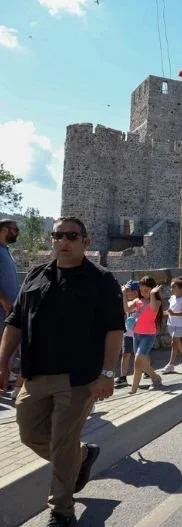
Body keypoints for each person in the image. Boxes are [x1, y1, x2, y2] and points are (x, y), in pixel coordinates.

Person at [0, 217, 124, 526]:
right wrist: (2, 362)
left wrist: (107, 373)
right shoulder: (36, 275)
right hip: (35, 373)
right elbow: (15, 321)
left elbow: (114, 329)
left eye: (71, 235)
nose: (63, 240)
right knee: (29, 433)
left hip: (78, 377)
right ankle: (81, 457)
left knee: (61, 442)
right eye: (58, 235)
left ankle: (62, 511)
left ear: (86, 240)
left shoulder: (101, 279)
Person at [126, 276, 164, 394]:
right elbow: (126, 308)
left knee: (138, 360)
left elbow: (152, 309)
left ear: (152, 290)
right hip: (136, 334)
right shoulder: (138, 301)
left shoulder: (156, 301)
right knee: (139, 362)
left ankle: (135, 387)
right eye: (141, 291)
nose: (143, 293)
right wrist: (123, 293)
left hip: (148, 336)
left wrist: (152, 294)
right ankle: (153, 378)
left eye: (146, 291)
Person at [0, 219, 21, 398]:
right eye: (15, 230)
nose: (17, 233)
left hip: (9, 310)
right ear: (5, 229)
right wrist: (4, 300)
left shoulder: (5, 251)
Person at [163, 276, 182, 373]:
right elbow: (170, 311)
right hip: (170, 323)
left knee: (174, 342)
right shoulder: (172, 298)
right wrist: (163, 313)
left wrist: (173, 313)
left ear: (180, 288)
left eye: (173, 287)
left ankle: (171, 364)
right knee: (176, 342)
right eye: (171, 287)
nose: (171, 289)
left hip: (179, 325)